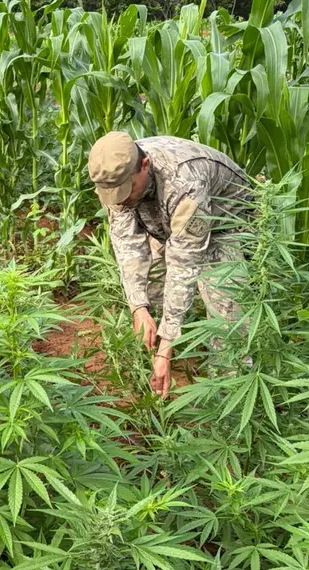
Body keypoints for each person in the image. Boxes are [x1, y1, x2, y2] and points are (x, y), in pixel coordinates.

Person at [87, 132, 253, 399]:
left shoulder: (185, 181)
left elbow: (183, 264)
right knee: (149, 295)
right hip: (165, 221)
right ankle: (151, 382)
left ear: (144, 165)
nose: (120, 199)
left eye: (125, 192)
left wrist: (167, 344)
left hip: (224, 224)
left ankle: (230, 396)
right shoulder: (115, 175)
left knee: (226, 317)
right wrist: (138, 307)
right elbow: (127, 245)